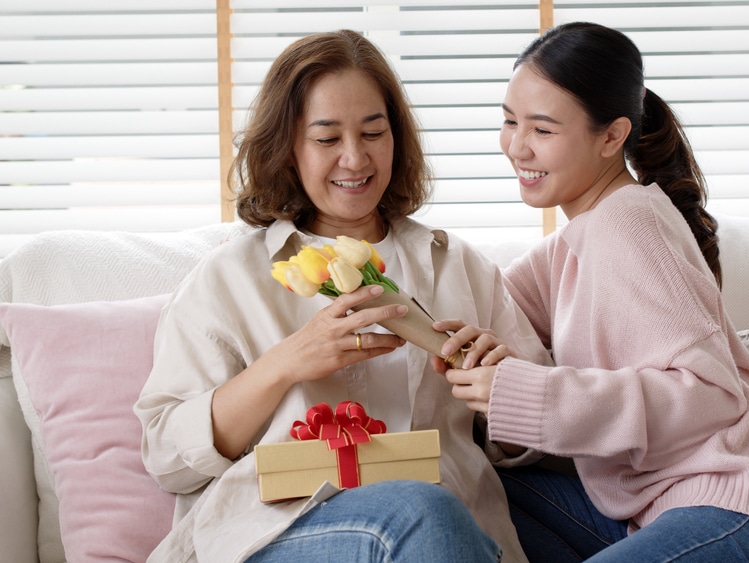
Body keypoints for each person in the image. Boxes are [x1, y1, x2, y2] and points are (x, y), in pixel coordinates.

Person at [134, 30, 550, 563]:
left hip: (447, 533)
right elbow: (168, 456)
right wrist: (285, 364)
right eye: (327, 139)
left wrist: (503, 391)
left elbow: (534, 446)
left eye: (373, 132)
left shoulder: (460, 267)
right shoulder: (229, 276)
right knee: (424, 510)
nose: (355, 159)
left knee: (431, 513)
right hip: (279, 530)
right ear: (287, 150)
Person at [433, 22, 749, 562]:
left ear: (611, 136)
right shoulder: (572, 243)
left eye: (543, 130)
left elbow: (711, 393)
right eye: (509, 122)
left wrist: (530, 396)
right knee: (458, 487)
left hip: (747, 512)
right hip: (647, 514)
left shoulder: (628, 225)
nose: (516, 147)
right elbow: (484, 300)